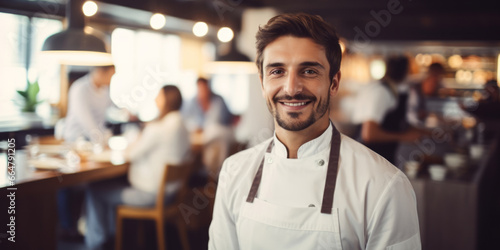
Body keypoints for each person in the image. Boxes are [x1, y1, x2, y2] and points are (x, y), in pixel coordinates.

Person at [209, 13, 421, 249]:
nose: (291, 89)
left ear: (334, 83)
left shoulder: (384, 186)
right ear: (262, 83)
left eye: (309, 71)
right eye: (277, 71)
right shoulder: (234, 172)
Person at [84, 85, 191, 249]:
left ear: (166, 100)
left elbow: (131, 154)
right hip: (172, 194)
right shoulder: (182, 125)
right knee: (112, 185)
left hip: (150, 196)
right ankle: (109, 237)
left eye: (159, 96)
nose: (155, 99)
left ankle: (96, 244)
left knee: (95, 189)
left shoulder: (158, 129)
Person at [352, 55, 423, 164]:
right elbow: (369, 134)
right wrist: (405, 137)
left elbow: (397, 124)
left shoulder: (390, 90)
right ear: (405, 72)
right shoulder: (382, 92)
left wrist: (428, 133)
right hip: (370, 160)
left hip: (380, 159)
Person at [63, 65, 116, 143]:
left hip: (96, 140)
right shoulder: (80, 89)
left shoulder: (105, 90)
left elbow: (113, 108)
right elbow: (87, 121)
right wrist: (101, 140)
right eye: (110, 76)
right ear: (100, 72)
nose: (111, 80)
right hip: (76, 140)